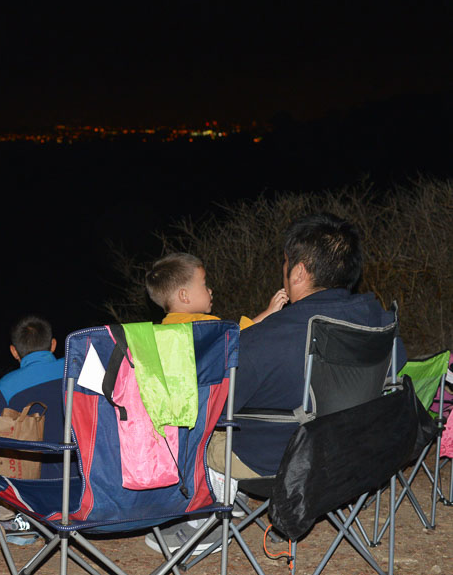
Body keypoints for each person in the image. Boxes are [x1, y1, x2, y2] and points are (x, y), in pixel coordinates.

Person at [147, 214, 404, 556]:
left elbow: (215, 405)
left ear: (298, 272)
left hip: (287, 462)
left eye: (285, 263)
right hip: (358, 456)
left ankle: (205, 519)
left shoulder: (272, 335)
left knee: (200, 428)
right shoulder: (381, 320)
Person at [0, 315, 68, 478]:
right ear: (53, 344)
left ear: (14, 351)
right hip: (83, 472)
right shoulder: (74, 368)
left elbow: (7, 437)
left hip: (35, 480)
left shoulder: (5, 386)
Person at [145, 252, 288, 329]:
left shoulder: (160, 332)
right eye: (204, 284)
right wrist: (269, 312)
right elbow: (241, 336)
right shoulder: (204, 325)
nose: (210, 290)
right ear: (184, 296)